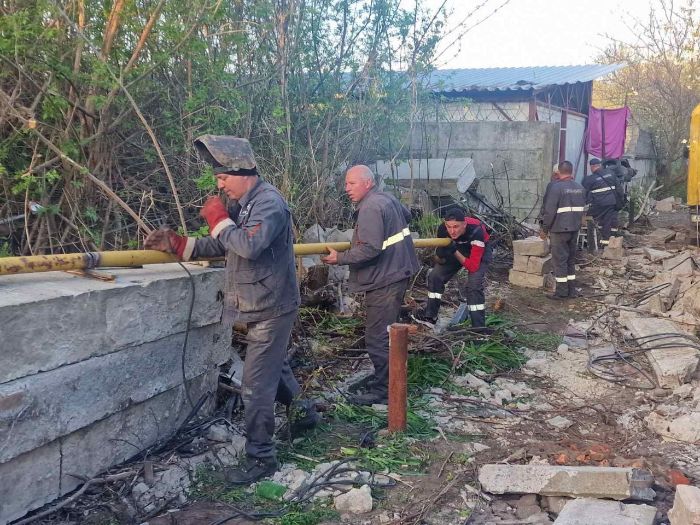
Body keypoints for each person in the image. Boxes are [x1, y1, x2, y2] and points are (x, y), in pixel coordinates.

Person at [144, 135, 318, 485]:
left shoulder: (269, 203)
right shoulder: (246, 203)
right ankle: (305, 414)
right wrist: (181, 244)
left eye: (223, 178)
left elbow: (248, 245)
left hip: (272, 306)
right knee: (274, 367)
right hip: (258, 302)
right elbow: (226, 243)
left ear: (243, 173)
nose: (219, 185)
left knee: (255, 385)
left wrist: (220, 219)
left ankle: (261, 458)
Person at [322, 165, 419, 405]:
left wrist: (340, 258)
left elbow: (370, 248)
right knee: (387, 333)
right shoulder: (387, 199)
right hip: (397, 272)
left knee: (377, 337)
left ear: (367, 183)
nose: (346, 189)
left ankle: (385, 391)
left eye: (351, 184)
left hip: (385, 278)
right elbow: (407, 216)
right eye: (345, 184)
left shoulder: (370, 207)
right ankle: (392, 382)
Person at [416, 207, 492, 329]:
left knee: (473, 286)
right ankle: (430, 317)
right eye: (449, 227)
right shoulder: (442, 229)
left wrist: (454, 251)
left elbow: (472, 266)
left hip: (478, 250)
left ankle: (478, 328)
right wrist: (441, 256)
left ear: (464, 224)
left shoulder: (476, 231)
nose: (452, 231)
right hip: (457, 247)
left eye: (456, 227)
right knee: (435, 276)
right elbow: (441, 255)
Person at [540, 160, 586, 299]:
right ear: (571, 171)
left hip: (559, 230)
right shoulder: (580, 188)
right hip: (574, 229)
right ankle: (571, 291)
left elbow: (549, 211)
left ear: (559, 172)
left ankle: (561, 293)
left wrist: (544, 229)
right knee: (570, 260)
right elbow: (582, 211)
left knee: (559, 261)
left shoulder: (556, 188)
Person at [582, 158, 621, 247]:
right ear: (600, 165)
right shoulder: (611, 174)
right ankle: (608, 242)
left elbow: (584, 194)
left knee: (591, 219)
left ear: (592, 167)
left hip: (598, 205)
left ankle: (593, 242)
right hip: (611, 202)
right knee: (607, 221)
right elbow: (619, 189)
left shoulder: (589, 179)